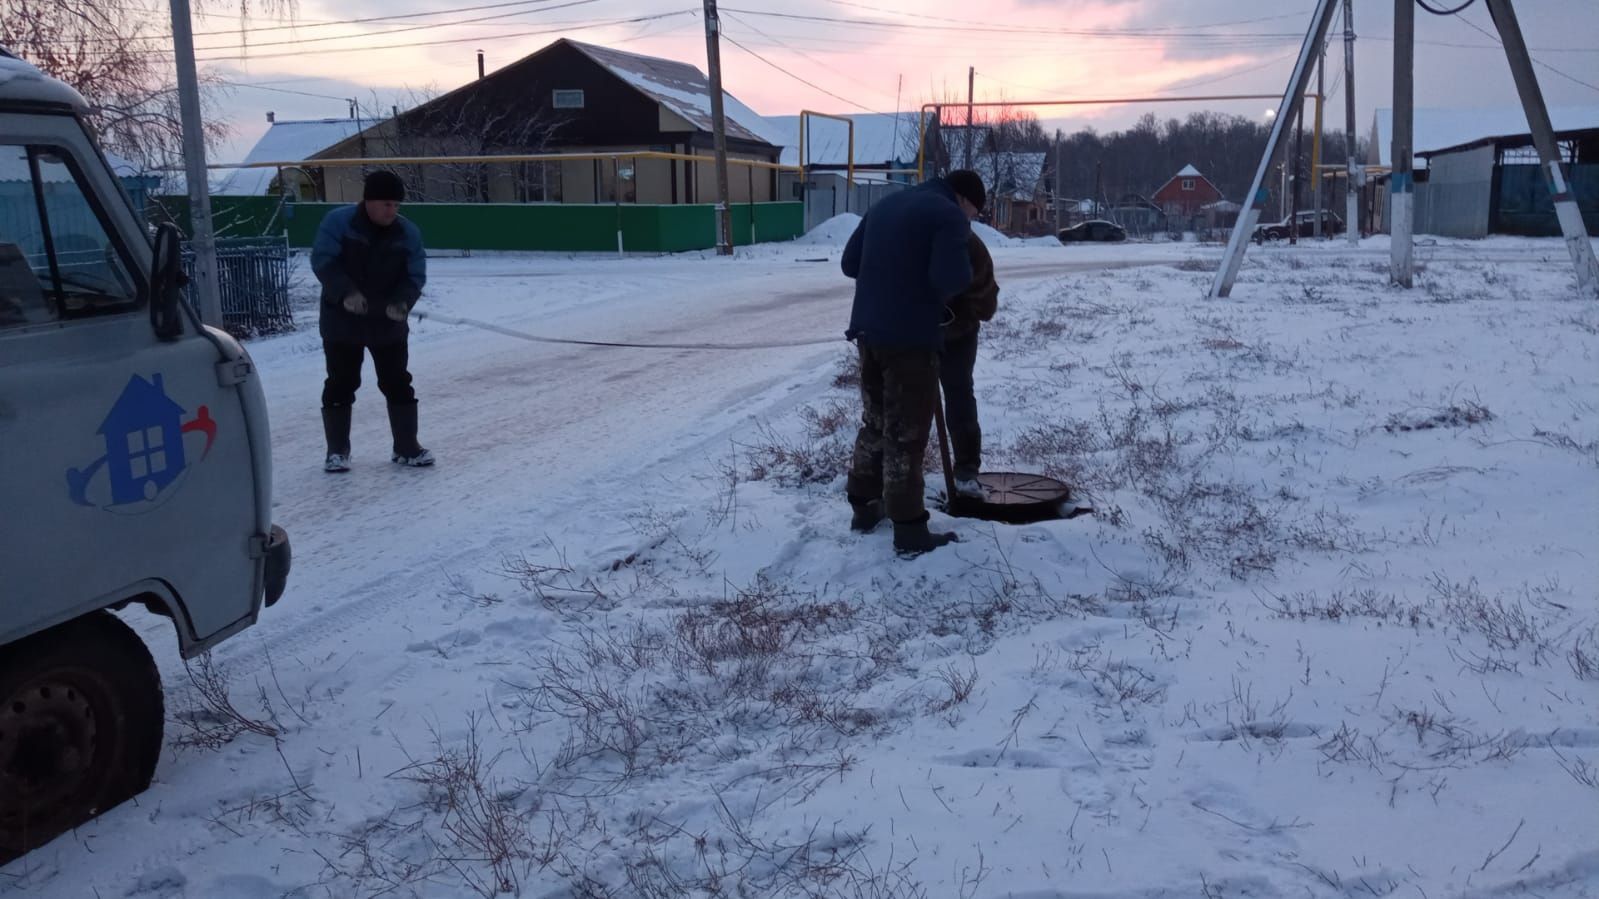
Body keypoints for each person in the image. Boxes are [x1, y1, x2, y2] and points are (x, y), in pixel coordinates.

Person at [840, 169, 986, 558]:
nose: (971, 220)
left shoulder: (885, 204)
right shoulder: (948, 216)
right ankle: (909, 529)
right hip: (910, 340)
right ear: (965, 200)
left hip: (867, 332)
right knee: (906, 432)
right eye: (975, 212)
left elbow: (849, 263)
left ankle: (864, 506)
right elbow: (950, 277)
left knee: (874, 421)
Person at [312, 170, 432, 473]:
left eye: (396, 205)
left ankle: (406, 446)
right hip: (343, 321)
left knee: (397, 382)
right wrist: (345, 294)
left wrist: (403, 303)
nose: (392, 211)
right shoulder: (338, 223)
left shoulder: (408, 233)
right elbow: (324, 261)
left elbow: (415, 275)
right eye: (386, 204)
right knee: (341, 383)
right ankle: (337, 450)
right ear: (368, 201)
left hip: (387, 324)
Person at [941, 231, 999, 499]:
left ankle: (899, 479)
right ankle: (965, 471)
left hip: (907, 330)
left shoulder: (903, 227)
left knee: (905, 401)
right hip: (957, 334)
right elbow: (987, 305)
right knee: (960, 393)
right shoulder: (967, 240)